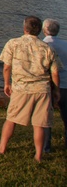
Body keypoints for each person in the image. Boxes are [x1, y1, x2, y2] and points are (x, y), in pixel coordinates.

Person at [0, 16, 60, 163]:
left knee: (11, 119)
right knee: (39, 125)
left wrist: (6, 83)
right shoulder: (47, 48)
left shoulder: (13, 44)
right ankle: (38, 155)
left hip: (21, 88)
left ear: (25, 28)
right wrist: (57, 91)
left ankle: (2, 147)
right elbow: (54, 73)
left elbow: (6, 67)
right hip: (42, 89)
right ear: (39, 31)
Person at [41, 19, 67, 152]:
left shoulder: (43, 45)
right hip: (66, 85)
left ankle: (46, 146)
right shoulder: (65, 44)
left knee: (46, 117)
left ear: (44, 30)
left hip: (50, 85)